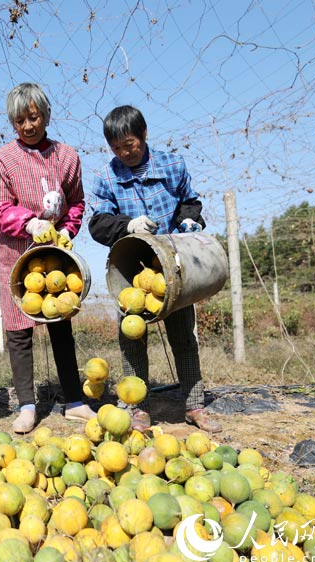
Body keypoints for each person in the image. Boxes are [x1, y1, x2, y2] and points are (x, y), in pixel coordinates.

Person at [88, 105, 222, 433]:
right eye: (116, 148)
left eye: (129, 145)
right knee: (132, 338)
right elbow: (97, 224)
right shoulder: (107, 177)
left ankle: (194, 404)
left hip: (174, 269)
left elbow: (189, 201)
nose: (124, 153)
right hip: (132, 272)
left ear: (144, 135)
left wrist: (190, 220)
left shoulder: (172, 165)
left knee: (183, 335)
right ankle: (136, 407)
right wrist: (127, 225)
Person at [0, 82, 97, 434]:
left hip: (56, 258)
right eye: (20, 120)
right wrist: (29, 222)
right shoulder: (3, 159)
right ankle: (26, 406)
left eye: (33, 117)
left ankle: (75, 401)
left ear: (46, 116)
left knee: (60, 323)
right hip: (17, 255)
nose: (28, 126)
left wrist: (67, 230)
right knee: (19, 332)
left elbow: (77, 201)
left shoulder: (67, 157)